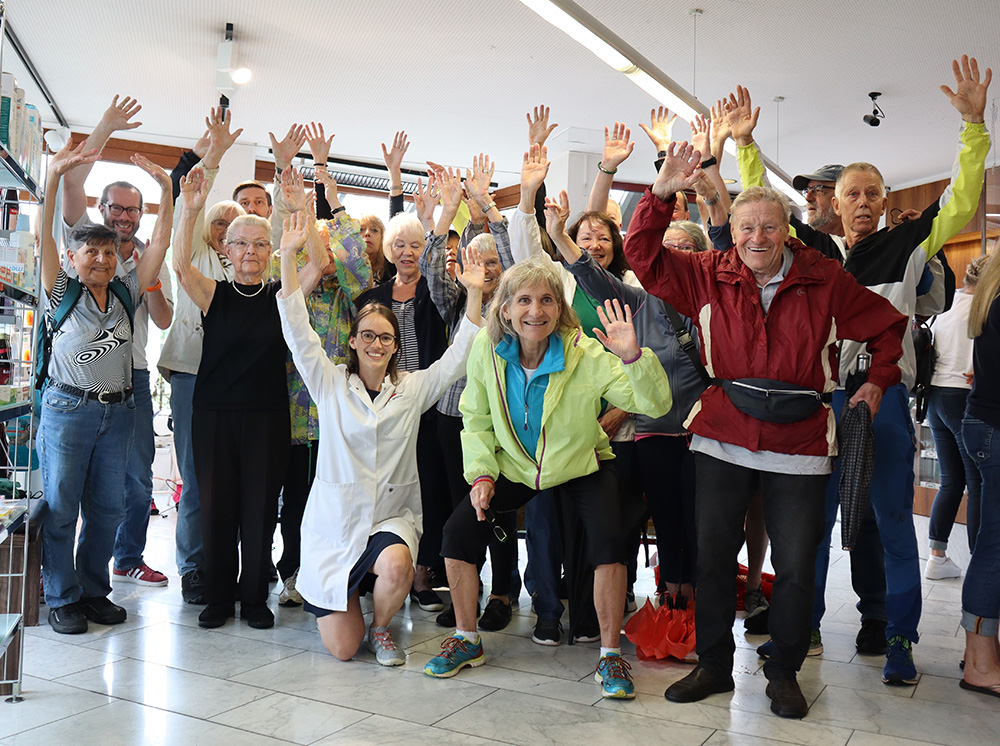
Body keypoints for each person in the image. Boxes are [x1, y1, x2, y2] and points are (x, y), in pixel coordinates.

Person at [723, 57, 991, 682]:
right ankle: (803, 628)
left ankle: (899, 639)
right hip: (819, 404)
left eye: (873, 193)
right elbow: (762, 210)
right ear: (833, 203)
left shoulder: (910, 244)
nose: (864, 202)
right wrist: (745, 146)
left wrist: (974, 129)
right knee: (811, 524)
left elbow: (960, 200)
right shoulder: (812, 251)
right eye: (853, 194)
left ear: (885, 201)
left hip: (884, 398)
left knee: (892, 521)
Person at [629, 142, 907, 719]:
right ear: (733, 230)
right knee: (712, 559)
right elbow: (643, 255)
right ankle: (713, 665)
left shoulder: (825, 278)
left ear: (787, 230)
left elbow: (889, 326)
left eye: (770, 226)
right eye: (747, 226)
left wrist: (877, 383)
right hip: (723, 434)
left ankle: (783, 671)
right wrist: (659, 194)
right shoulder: (706, 273)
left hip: (800, 441)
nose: (758, 236)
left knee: (798, 565)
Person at [424, 256, 673, 701]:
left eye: (546, 300)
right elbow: (476, 418)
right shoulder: (486, 349)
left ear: (560, 309)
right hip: (517, 465)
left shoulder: (585, 352)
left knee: (609, 541)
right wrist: (481, 475)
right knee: (456, 533)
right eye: (524, 300)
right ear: (505, 309)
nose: (535, 311)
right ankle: (467, 639)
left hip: (580, 462)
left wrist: (634, 357)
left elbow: (654, 404)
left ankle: (610, 654)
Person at [278, 206, 485, 664]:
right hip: (336, 528)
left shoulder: (410, 389)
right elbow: (297, 330)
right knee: (343, 650)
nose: (376, 344)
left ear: (395, 347)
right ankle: (347, 599)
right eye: (368, 336)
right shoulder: (330, 382)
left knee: (396, 565)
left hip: (389, 519)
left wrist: (474, 293)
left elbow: (458, 357)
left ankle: (381, 627)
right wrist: (288, 256)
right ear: (353, 341)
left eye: (386, 338)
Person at [173, 164, 327, 630]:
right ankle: (219, 597)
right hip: (214, 416)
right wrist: (190, 209)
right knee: (217, 507)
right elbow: (179, 265)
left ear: (270, 250)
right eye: (241, 243)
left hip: (266, 418)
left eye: (261, 244)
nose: (251, 252)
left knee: (260, 508)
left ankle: (255, 597)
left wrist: (301, 209)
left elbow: (319, 263)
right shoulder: (213, 294)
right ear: (226, 248)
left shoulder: (283, 297)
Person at [39, 140, 173, 634]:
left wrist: (167, 191)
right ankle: (62, 597)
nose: (100, 258)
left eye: (108, 251)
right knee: (60, 507)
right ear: (72, 256)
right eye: (89, 251)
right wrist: (54, 177)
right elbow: (46, 236)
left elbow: (159, 245)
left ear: (119, 257)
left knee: (107, 509)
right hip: (68, 410)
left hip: (119, 413)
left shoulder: (125, 289)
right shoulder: (60, 289)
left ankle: (94, 591)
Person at [551, 190, 707, 612]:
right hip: (655, 432)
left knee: (701, 522)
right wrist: (561, 237)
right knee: (667, 518)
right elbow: (594, 279)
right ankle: (672, 600)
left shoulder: (712, 302)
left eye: (685, 248)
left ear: (700, 256)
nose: (675, 256)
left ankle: (699, 601)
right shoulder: (640, 300)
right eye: (668, 249)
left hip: (703, 432)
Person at [267, 129, 373, 605]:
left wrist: (325, 202)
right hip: (294, 417)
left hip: (341, 419)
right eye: (318, 244)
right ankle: (293, 574)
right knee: (296, 501)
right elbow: (288, 260)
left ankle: (345, 574)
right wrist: (296, 211)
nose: (325, 253)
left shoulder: (352, 296)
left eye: (330, 246)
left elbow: (357, 263)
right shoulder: (296, 288)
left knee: (342, 499)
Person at [418, 155, 518, 632]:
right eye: (479, 261)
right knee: (463, 511)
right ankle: (467, 595)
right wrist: (446, 212)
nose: (489, 269)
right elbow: (431, 267)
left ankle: (502, 593)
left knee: (498, 509)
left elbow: (515, 260)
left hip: (500, 422)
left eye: (493, 262)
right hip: (452, 418)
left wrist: (484, 206)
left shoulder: (519, 303)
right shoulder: (457, 301)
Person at [157, 108, 245, 605]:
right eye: (220, 223)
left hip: (239, 383)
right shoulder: (194, 256)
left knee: (232, 478)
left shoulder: (250, 268)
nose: (226, 230)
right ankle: (193, 569)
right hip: (192, 375)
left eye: (235, 226)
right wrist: (212, 159)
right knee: (195, 477)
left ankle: (228, 566)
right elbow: (187, 206)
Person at [355, 171, 452, 612]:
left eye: (415, 245)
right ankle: (372, 566)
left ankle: (422, 573)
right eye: (399, 245)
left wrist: (434, 218)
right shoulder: (373, 295)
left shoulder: (435, 289)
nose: (407, 252)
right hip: (384, 400)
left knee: (427, 487)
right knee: (382, 483)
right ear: (389, 251)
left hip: (427, 398)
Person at [926, 256, 986, 578]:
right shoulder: (984, 308)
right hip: (963, 398)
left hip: (935, 397)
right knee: (978, 483)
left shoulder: (946, 305)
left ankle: (937, 558)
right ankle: (979, 563)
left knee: (951, 480)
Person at [958, 244, 1000, 699]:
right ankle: (980, 662)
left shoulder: (992, 294)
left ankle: (982, 654)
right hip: (995, 428)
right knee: (995, 546)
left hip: (984, 423)